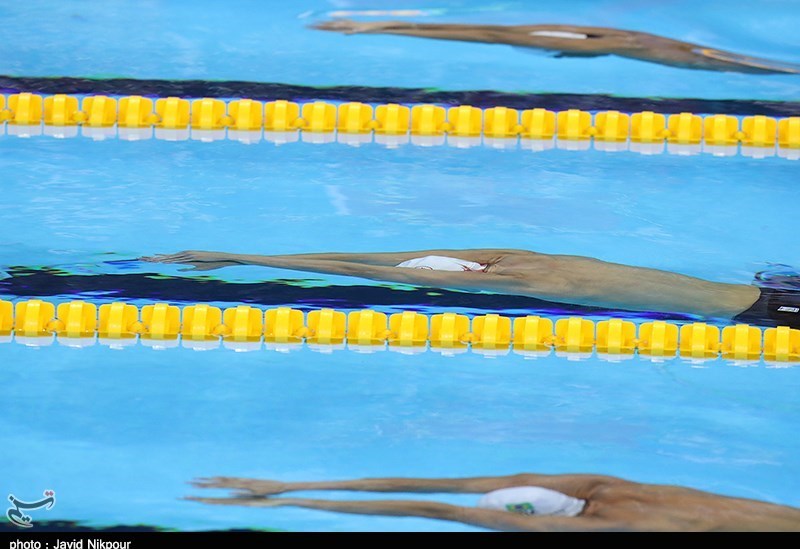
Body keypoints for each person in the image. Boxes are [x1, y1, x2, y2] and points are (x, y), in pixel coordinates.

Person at [141, 249, 800, 327]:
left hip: (770, 313)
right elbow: (380, 256)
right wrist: (237, 257)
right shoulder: (512, 255)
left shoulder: (522, 278)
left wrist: (238, 258)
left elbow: (372, 270)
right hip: (768, 293)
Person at [186, 472, 800, 531]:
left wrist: (293, 503)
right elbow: (436, 487)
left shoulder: (604, 527)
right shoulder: (603, 486)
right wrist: (292, 486)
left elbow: (439, 508)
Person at [311, 19, 800, 75]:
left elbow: (486, 34)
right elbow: (485, 33)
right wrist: (377, 26)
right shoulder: (585, 34)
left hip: (686, 54)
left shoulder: (578, 35)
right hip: (684, 53)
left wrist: (376, 26)